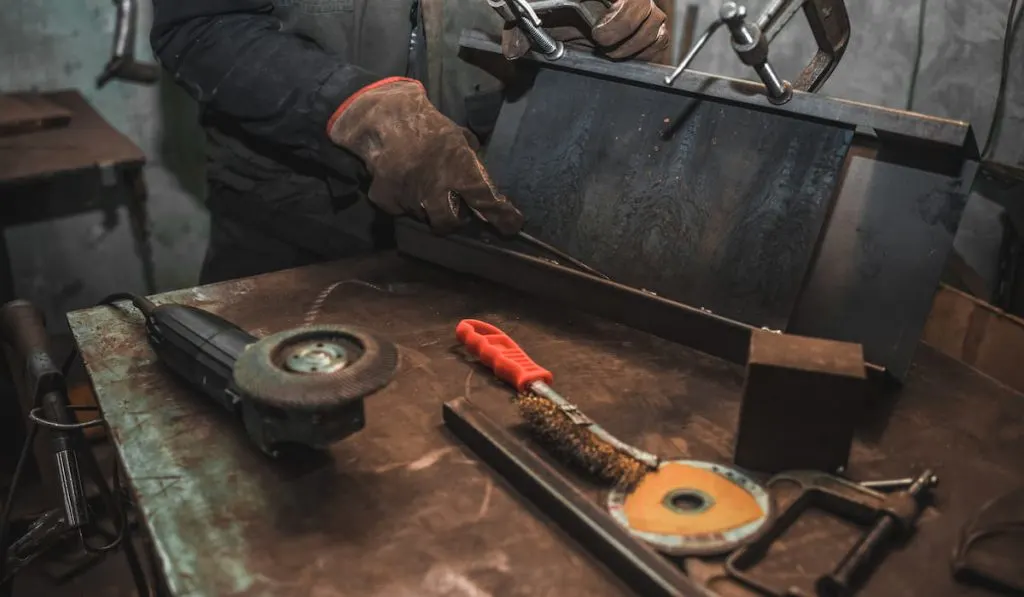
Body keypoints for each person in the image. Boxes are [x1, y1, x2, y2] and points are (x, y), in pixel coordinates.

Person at [151, 0, 669, 284]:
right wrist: (354, 108)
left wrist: (592, 20)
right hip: (294, 229)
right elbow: (200, 27)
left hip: (481, 212)